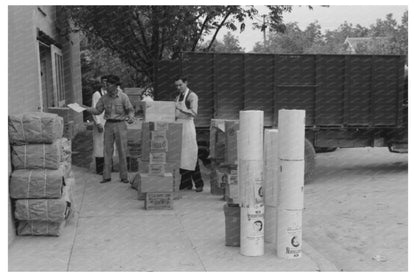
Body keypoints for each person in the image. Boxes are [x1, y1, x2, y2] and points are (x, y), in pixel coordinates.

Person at [85, 74, 135, 183]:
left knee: (122, 150)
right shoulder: (104, 98)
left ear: (115, 85)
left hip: (120, 125)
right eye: (106, 84)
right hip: (108, 125)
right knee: (107, 151)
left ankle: (124, 176)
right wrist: (85, 108)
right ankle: (106, 176)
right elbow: (98, 111)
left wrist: (131, 117)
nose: (106, 86)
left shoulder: (123, 97)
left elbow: (130, 110)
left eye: (109, 84)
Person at [174, 76, 204, 192]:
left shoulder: (192, 96)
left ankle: (199, 183)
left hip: (188, 126)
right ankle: (186, 183)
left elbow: (194, 113)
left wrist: (180, 109)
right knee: (182, 156)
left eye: (180, 85)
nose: (178, 87)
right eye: (176, 85)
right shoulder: (177, 97)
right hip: (179, 126)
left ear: (186, 83)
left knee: (191, 155)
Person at [91, 76, 107, 175]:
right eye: (104, 82)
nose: (105, 84)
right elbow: (94, 109)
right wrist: (98, 123)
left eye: (107, 82)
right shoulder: (97, 94)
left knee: (108, 145)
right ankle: (100, 169)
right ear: (101, 83)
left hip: (108, 123)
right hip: (100, 123)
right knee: (99, 146)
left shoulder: (110, 94)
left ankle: (108, 166)